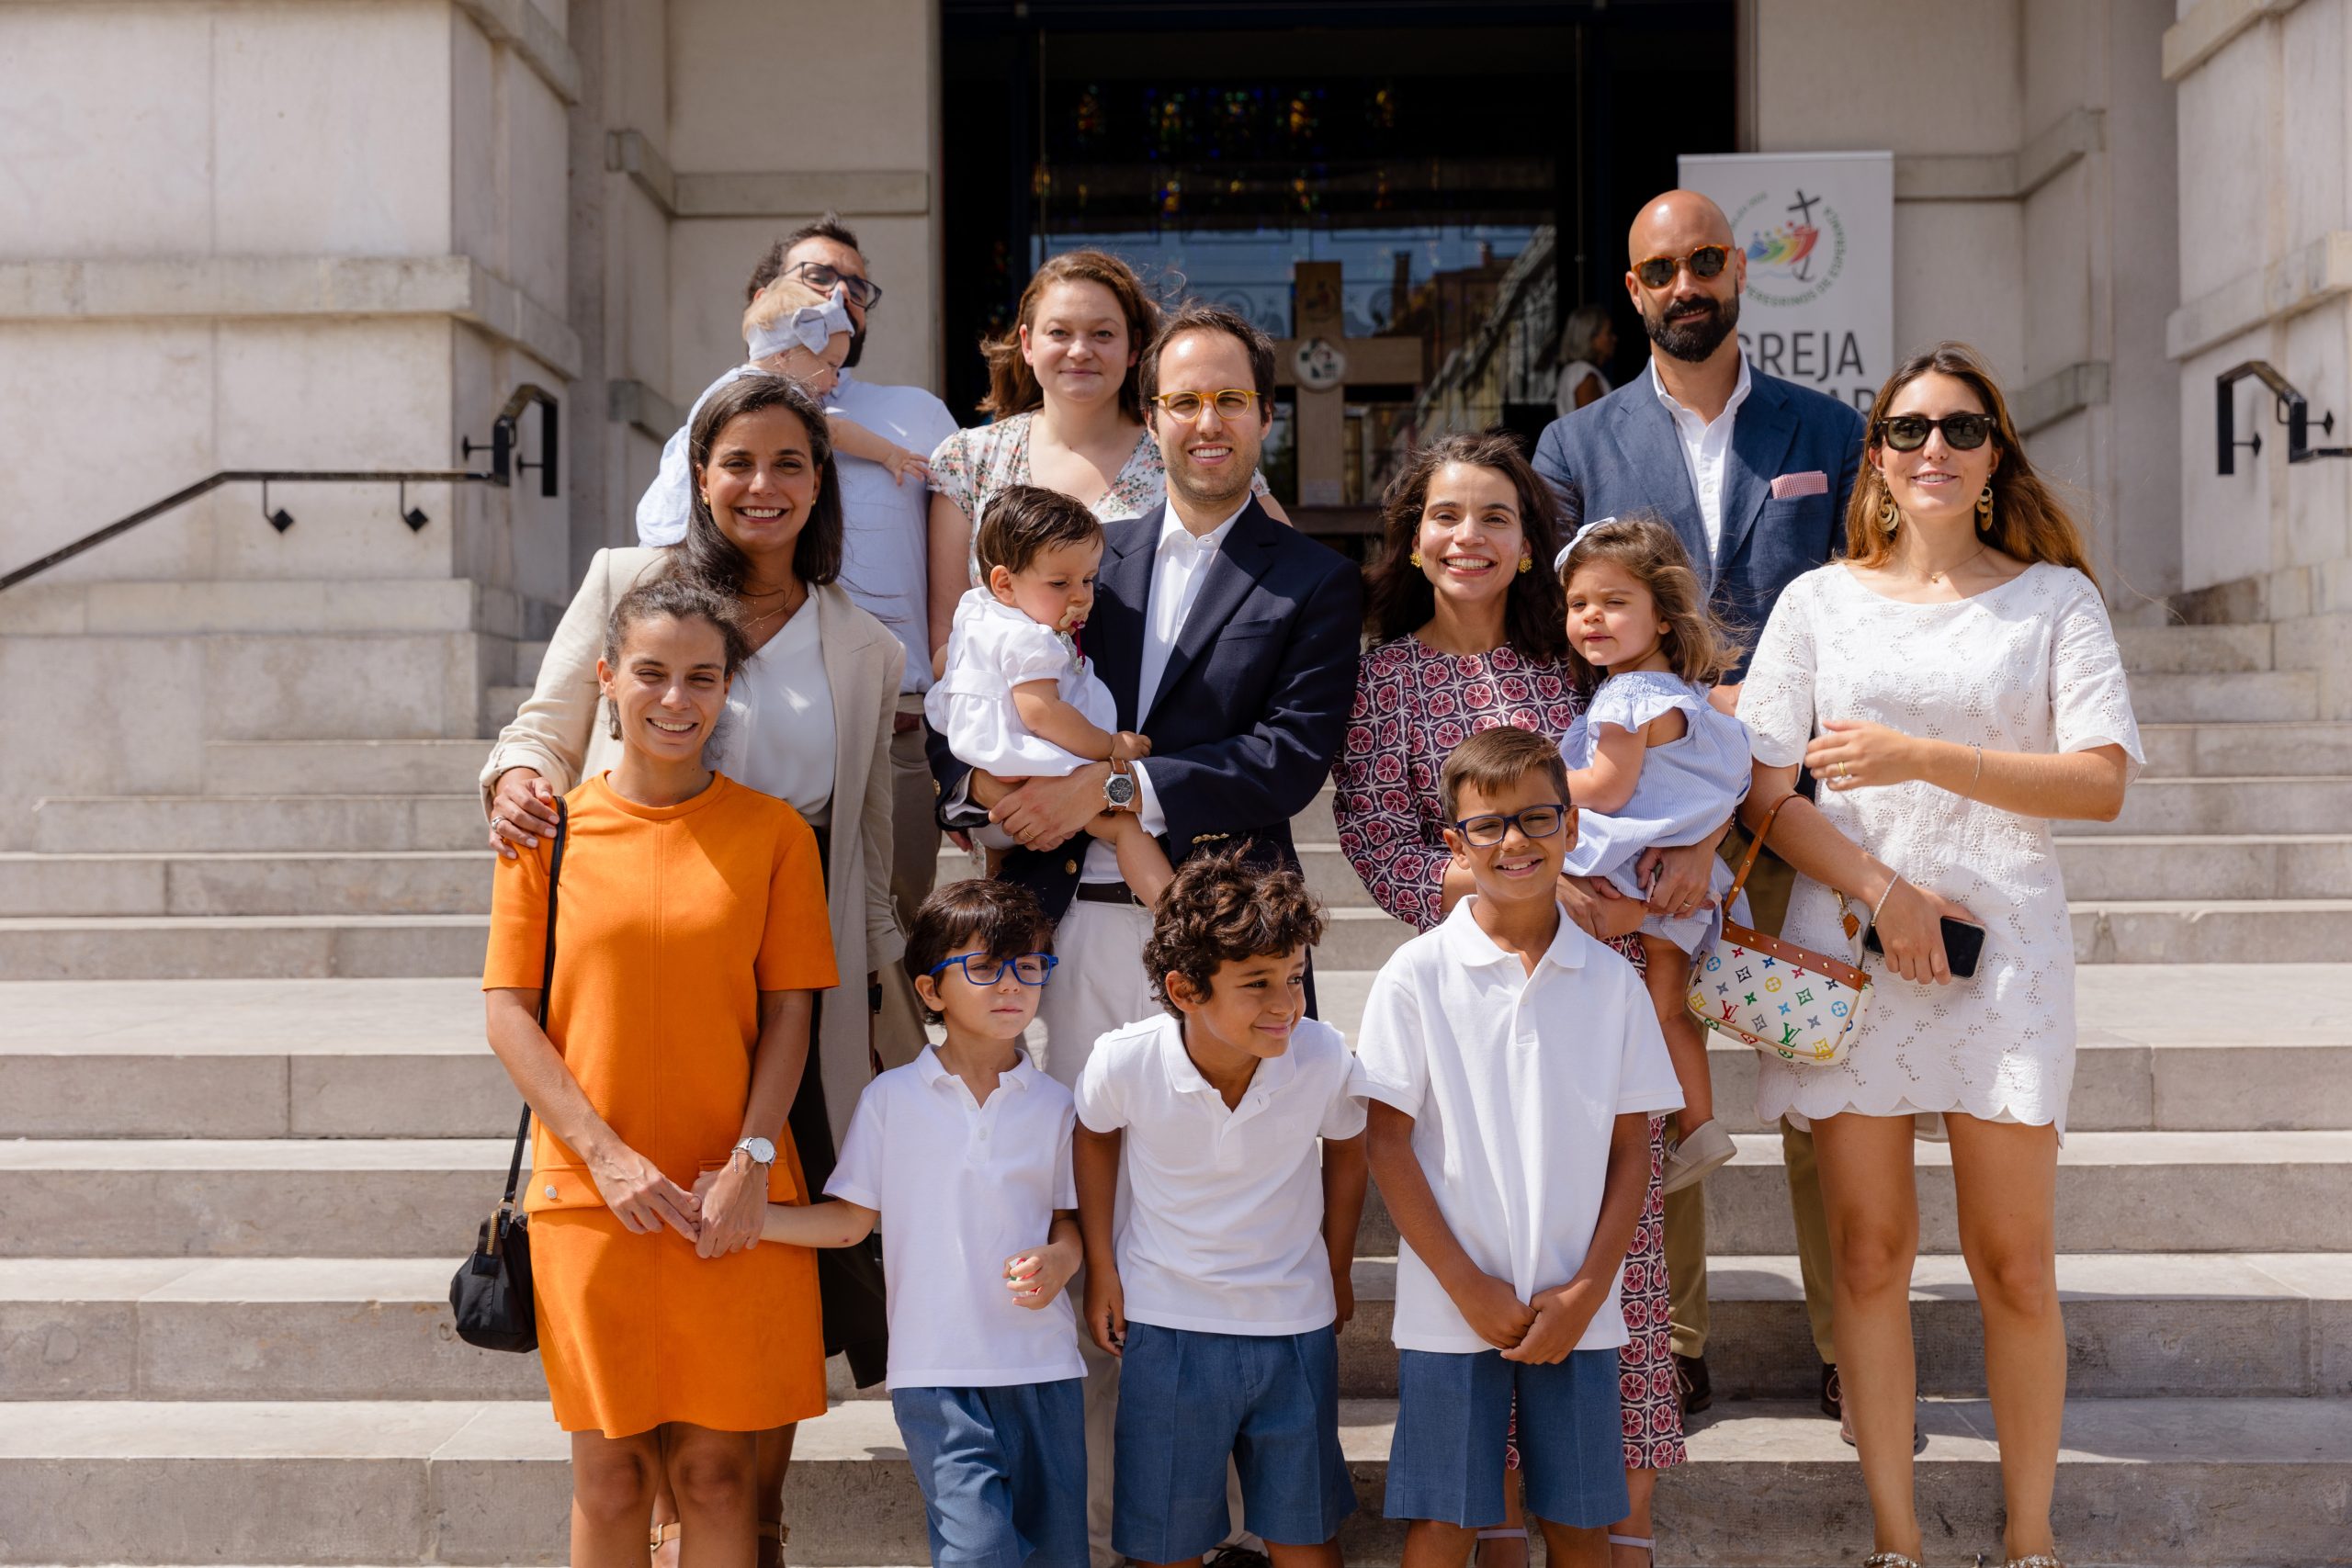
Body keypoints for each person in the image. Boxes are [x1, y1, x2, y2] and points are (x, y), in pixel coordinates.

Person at [931, 300, 1363, 1567]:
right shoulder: (1080, 553)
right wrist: (990, 790)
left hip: (1225, 948)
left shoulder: (1314, 580)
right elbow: (973, 702)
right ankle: (1103, 1523)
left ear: (1264, 417)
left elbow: (1286, 759)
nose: (1205, 421)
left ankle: (1241, 1515)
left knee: (1236, 1200)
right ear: (1151, 415)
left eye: (1229, 399)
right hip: (1069, 933)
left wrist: (1113, 788)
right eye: (1182, 400)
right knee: (1081, 1197)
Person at [481, 372, 905, 1562]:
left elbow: (869, 838)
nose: (762, 485)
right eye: (738, 461)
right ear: (699, 473)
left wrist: (892, 1010)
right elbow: (545, 722)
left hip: (788, 971)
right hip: (626, 934)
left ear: (820, 484)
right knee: (617, 1452)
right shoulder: (631, 584)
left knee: (754, 1346)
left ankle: (750, 1525)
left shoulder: (863, 643)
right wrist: (516, 779)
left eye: (790, 463)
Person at [1733, 342, 2139, 1568]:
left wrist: (1922, 758)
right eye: (1908, 429)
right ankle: (1896, 1541)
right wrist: (1885, 894)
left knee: (2014, 1263)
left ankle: (2030, 1538)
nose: (1934, 450)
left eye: (1962, 428)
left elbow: (2099, 782)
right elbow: (1764, 792)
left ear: (1994, 452)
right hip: (1857, 943)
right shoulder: (1817, 602)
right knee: (1867, 1254)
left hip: (2005, 953)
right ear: (1875, 455)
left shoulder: (2056, 599)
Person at [1328, 433, 1697, 1567]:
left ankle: (1613, 1531)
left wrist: (1693, 850)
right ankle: (1491, 1534)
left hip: (1594, 991)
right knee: (1484, 1268)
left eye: (1495, 516)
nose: (1468, 537)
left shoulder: (1578, 662)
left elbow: (1683, 764)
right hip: (1467, 1007)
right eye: (1445, 516)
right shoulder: (1381, 679)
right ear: (1412, 539)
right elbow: (1379, 843)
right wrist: (1508, 869)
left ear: (1531, 542)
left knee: (1608, 1277)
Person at [1532, 188, 1868, 1422]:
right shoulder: (1575, 446)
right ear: (1634, 290)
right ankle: (1671, 1342)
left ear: (1738, 272)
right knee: (1653, 1085)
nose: (1687, 284)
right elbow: (1560, 640)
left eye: (1707, 261)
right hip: (1643, 841)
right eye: (1662, 268)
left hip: (1791, 809)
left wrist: (1734, 793)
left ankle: (1850, 1339)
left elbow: (1860, 614)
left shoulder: (1827, 429)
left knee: (1817, 1083)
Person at [482, 578, 837, 1567]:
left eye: (702, 677)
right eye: (651, 672)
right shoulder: (544, 835)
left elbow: (790, 1013)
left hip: (728, 1196)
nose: (676, 699)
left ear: (728, 689)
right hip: (591, 1196)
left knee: (719, 1475)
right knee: (610, 1477)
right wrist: (606, 1158)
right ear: (605, 678)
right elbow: (508, 1015)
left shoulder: (773, 834)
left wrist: (751, 1163)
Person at [1358, 726, 1685, 1568]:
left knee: (1580, 1525)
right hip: (1450, 1308)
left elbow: (1635, 1152)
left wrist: (1587, 1291)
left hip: (1576, 1308)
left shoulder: (1613, 982)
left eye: (1537, 818)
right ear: (1455, 843)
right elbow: (1386, 1143)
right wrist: (1465, 1284)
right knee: (1443, 1525)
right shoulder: (1416, 974)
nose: (1514, 842)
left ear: (1571, 826)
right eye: (1488, 825)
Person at [636, 216, 963, 1055]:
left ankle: (877, 1111)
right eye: (818, 276)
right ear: (765, 298)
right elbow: (664, 540)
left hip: (894, 729)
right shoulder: (727, 407)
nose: (839, 295)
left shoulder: (917, 414)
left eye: (857, 286)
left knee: (887, 943)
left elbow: (956, 570)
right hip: (744, 721)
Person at [759, 878, 1088, 1568]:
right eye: (984, 967)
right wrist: (751, 1220)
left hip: (1043, 1365)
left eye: (1028, 966)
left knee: (1057, 1554)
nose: (1011, 984)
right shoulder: (890, 1099)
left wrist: (1061, 1261)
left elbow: (1068, 1223)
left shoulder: (1059, 1104)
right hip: (934, 1372)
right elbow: (850, 1222)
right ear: (931, 991)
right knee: (978, 1550)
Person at [1072, 850, 1367, 1568]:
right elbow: (1094, 1135)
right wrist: (1103, 1267)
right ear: (1184, 988)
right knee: (1164, 1543)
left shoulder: (1323, 1056)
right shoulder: (1124, 1060)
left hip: (1293, 1326)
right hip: (1168, 1326)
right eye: (1257, 983)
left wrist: (1336, 1267)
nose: (1285, 1003)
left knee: (1305, 1535)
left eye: (1294, 977)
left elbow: (1350, 1149)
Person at [1554, 514, 1752, 1193]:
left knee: (1646, 1006)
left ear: (1664, 617)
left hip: (1635, 862)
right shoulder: (1691, 694)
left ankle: (1660, 1131)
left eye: (1614, 602)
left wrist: (1538, 783)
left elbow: (1608, 788)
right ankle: (1698, 1127)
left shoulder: (1628, 695)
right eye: (1579, 603)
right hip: (1683, 871)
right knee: (1668, 1011)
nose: (1592, 617)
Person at [928, 249, 1284, 595]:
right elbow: (946, 628)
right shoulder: (969, 460)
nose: (1080, 351)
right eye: (1059, 333)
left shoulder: (1186, 448)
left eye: (1103, 334)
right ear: (1028, 343)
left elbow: (1286, 571)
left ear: (1134, 347)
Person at [928, 484, 1171, 903]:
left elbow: (941, 664)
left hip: (987, 786)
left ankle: (1004, 913)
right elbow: (1042, 713)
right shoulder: (1030, 638)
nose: (1081, 596)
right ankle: (1172, 912)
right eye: (1060, 583)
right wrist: (1111, 746)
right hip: (1025, 768)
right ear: (1005, 583)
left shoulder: (977, 611)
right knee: (1124, 826)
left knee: (1007, 880)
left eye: (1089, 580)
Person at [737, 276, 932, 484]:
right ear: (784, 356)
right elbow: (837, 432)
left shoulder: (732, 388)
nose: (835, 381)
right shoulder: (777, 397)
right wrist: (890, 453)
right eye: (831, 366)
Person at [1554, 305, 1617, 419]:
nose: (1614, 338)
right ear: (1593, 339)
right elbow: (1589, 423)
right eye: (1608, 333)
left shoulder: (1572, 370)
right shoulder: (1585, 374)